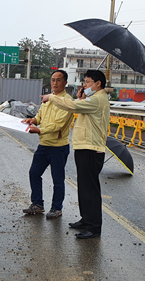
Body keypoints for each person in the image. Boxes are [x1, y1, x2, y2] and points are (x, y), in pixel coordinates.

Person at [40, 70, 110, 239]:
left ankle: (94, 227)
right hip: (84, 147)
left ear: (98, 83)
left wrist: (52, 97)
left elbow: (72, 106)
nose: (84, 85)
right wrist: (82, 97)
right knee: (84, 187)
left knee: (90, 189)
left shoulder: (98, 99)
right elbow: (80, 106)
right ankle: (86, 220)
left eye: (87, 82)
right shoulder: (92, 99)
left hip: (91, 149)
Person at [21, 70, 76, 219]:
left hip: (58, 147)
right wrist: (33, 121)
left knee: (57, 179)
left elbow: (58, 125)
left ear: (65, 83)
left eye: (59, 80)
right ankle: (38, 204)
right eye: (53, 80)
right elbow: (40, 115)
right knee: (34, 173)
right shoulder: (47, 99)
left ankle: (57, 207)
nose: (55, 83)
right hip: (44, 145)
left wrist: (39, 130)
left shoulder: (67, 102)